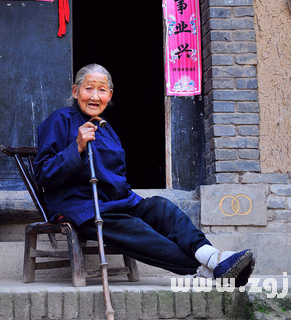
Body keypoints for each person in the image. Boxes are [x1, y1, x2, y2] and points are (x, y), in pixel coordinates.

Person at [34, 64, 255, 284]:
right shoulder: (60, 120)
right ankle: (204, 268)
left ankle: (213, 257)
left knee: (161, 207)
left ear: (109, 95)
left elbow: (116, 179)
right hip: (80, 207)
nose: (94, 96)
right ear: (75, 92)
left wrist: (133, 204)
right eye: (88, 88)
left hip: (116, 202)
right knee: (136, 229)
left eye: (102, 90)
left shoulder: (107, 129)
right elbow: (43, 174)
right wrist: (77, 146)